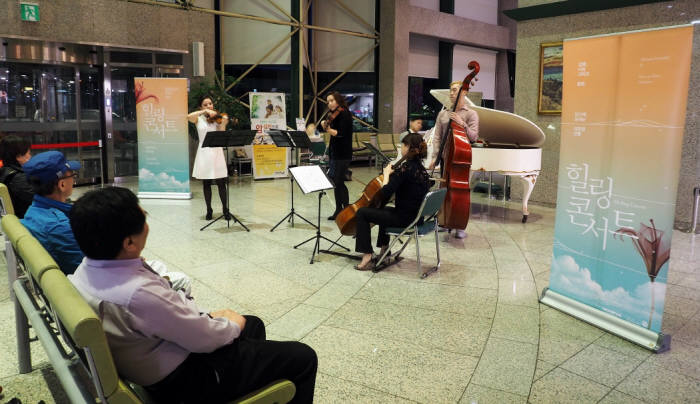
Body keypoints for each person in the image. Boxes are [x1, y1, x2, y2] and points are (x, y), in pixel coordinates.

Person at [68, 187, 318, 403]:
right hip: (183, 383)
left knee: (253, 324)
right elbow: (204, 339)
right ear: (129, 243)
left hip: (150, 357)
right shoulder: (138, 293)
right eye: (141, 217)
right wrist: (229, 323)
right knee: (302, 356)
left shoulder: (85, 270)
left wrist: (213, 321)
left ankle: (246, 388)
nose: (145, 217)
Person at [20, 152, 190, 292]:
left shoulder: (33, 212)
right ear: (62, 184)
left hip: (80, 278)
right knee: (182, 280)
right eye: (72, 175)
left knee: (158, 265)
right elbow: (94, 266)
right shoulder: (58, 226)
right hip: (101, 286)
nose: (74, 179)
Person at [353, 134, 431, 271]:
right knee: (385, 209)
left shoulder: (404, 169)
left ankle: (367, 255)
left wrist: (387, 174)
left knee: (362, 213)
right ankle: (384, 250)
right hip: (417, 219)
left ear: (408, 148)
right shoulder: (422, 170)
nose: (401, 148)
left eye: (403, 145)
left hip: (404, 220)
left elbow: (386, 192)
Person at [428, 80, 479, 239]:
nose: (451, 93)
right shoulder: (443, 114)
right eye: (450, 90)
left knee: (459, 193)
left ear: (464, 93)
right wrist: (435, 157)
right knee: (444, 190)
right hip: (445, 158)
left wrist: (461, 123)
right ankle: (444, 220)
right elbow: (437, 137)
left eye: (455, 90)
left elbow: (474, 137)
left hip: (460, 160)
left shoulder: (471, 114)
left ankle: (458, 224)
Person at [188, 95, 230, 221]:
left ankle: (225, 209)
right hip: (204, 152)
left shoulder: (218, 118)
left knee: (221, 182)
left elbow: (222, 133)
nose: (208, 106)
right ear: (201, 107)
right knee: (206, 183)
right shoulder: (198, 119)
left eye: (210, 104)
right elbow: (188, 117)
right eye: (205, 104)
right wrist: (204, 112)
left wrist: (223, 123)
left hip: (216, 151)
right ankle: (209, 210)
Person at [321, 91, 353, 220]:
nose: (330, 104)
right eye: (328, 102)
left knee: (339, 181)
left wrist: (328, 129)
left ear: (338, 100)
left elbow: (341, 134)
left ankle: (345, 210)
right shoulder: (335, 115)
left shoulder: (344, 114)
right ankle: (339, 209)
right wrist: (325, 125)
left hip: (343, 153)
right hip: (335, 152)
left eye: (332, 100)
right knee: (336, 182)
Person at [0, 135, 33, 218]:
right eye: (28, 153)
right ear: (19, 157)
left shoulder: (5, 171)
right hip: (26, 219)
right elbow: (42, 199)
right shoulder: (18, 178)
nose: (30, 156)